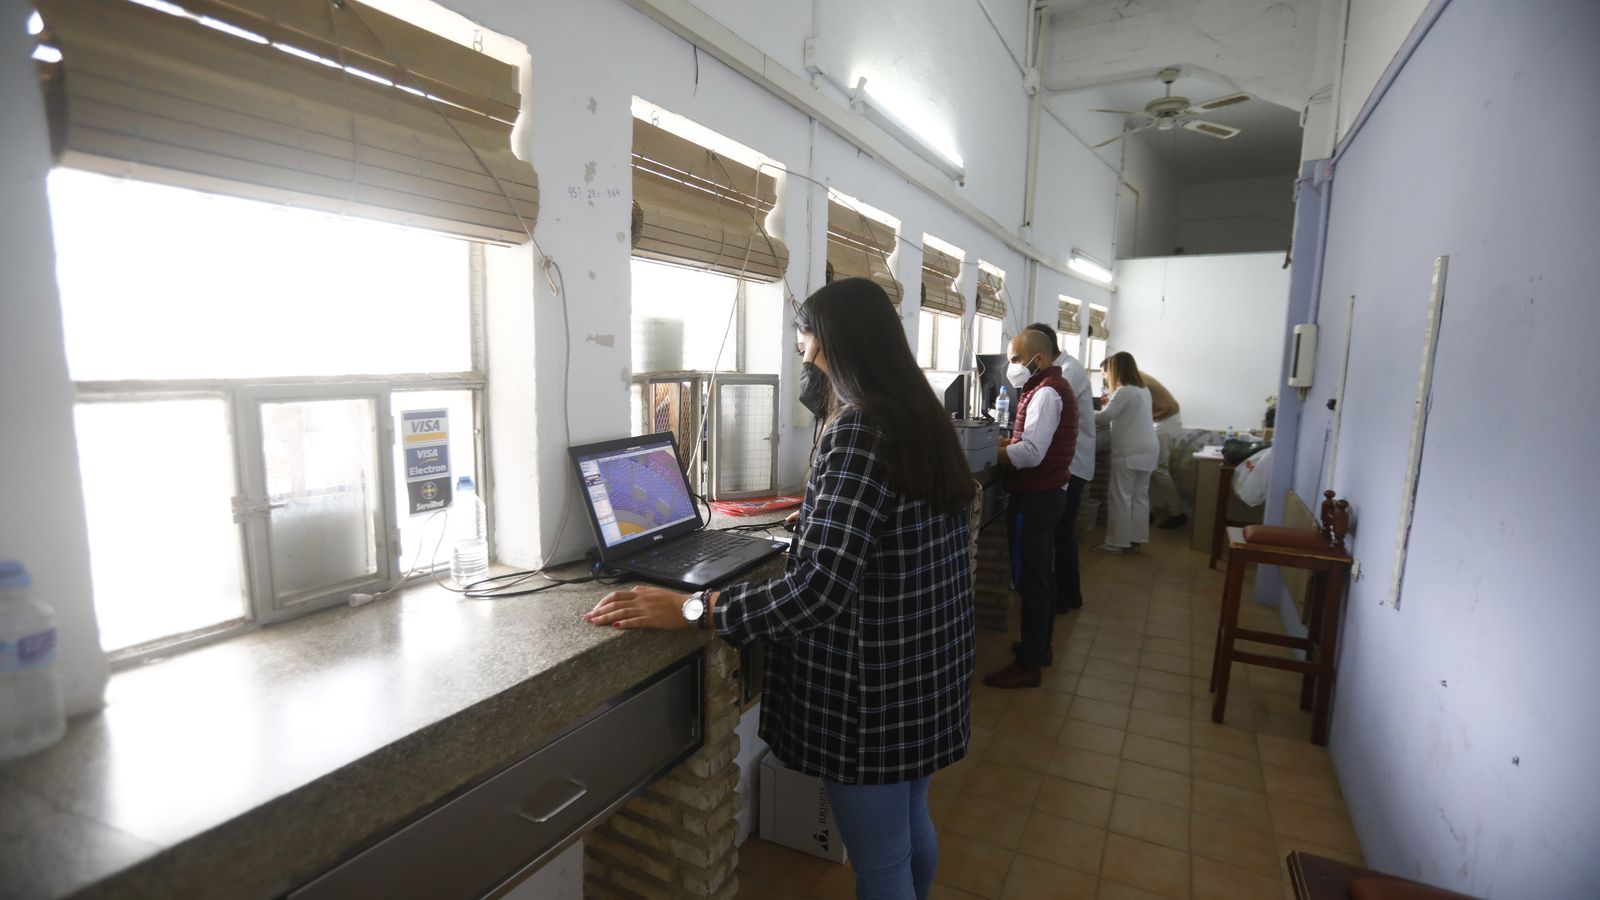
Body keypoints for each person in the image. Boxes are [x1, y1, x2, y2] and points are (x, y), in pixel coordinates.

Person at [584, 277, 975, 900]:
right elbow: (893, 521)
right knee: (909, 823)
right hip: (928, 673)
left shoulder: (857, 430)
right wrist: (820, 517)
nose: (802, 359)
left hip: (872, 696)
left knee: (879, 864)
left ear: (837, 347)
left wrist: (691, 606)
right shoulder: (920, 416)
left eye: (806, 345)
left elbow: (816, 593)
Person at [984, 328, 1077, 689]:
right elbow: (1032, 442)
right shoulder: (1048, 387)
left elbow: (1030, 455)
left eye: (1016, 359)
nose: (1012, 367)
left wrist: (988, 451)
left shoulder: (1046, 394)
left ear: (1039, 359)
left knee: (1029, 579)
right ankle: (1041, 647)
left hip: (1036, 498)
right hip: (1047, 493)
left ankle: (1029, 664)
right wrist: (1012, 441)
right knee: (1041, 575)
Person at [1022, 323, 1094, 613]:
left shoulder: (1067, 373)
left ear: (1041, 352)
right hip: (1067, 461)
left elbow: (1052, 416)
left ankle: (1065, 597)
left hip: (1071, 464)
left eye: (1022, 356)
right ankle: (1066, 594)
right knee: (1060, 533)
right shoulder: (1059, 369)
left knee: (1062, 534)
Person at [1092, 352, 1158, 553]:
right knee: (1139, 496)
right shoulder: (1142, 389)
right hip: (1148, 449)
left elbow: (1105, 417)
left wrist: (1081, 410)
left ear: (1115, 370)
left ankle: (1117, 542)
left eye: (1106, 373)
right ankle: (1136, 538)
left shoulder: (1124, 391)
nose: (1105, 377)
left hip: (1130, 452)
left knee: (1120, 496)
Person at [1143, 373, 1187, 528]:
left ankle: (1177, 513)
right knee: (1151, 469)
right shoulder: (1139, 377)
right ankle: (1146, 512)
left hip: (1165, 424)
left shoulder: (1137, 381)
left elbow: (1165, 407)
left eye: (1105, 375)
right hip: (1167, 423)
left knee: (1158, 469)